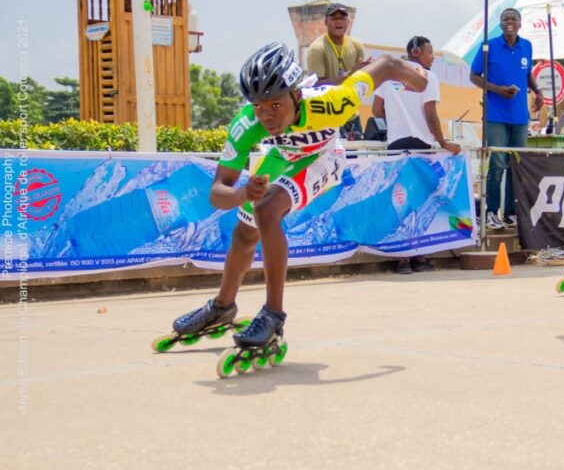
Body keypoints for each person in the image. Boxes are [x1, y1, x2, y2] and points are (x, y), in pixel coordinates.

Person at [159, 42, 427, 375]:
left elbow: (386, 65)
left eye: (275, 104)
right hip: (283, 158)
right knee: (244, 235)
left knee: (267, 209)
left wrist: (419, 81)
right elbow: (217, 192)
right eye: (258, 106)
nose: (267, 116)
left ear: (296, 96)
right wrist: (242, 192)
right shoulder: (246, 124)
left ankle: (273, 314)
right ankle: (222, 307)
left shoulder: (333, 102)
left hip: (325, 156)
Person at [372, 35, 460, 274]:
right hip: (422, 145)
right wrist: (443, 142)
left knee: (398, 199)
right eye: (430, 52)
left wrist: (398, 120)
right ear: (417, 52)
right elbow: (430, 114)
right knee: (421, 200)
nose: (433, 58)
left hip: (396, 144)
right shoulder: (428, 77)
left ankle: (401, 259)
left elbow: (376, 109)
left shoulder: (388, 77)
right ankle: (419, 257)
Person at [470, 7, 544, 231]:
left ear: (520, 23)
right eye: (506, 19)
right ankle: (492, 211)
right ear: (500, 24)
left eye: (514, 19)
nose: (510, 22)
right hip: (496, 115)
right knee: (498, 163)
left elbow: (526, 73)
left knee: (517, 164)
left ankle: (512, 212)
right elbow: (474, 76)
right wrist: (497, 90)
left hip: (520, 116)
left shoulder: (527, 46)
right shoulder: (488, 47)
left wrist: (537, 91)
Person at [306, 3, 369, 138]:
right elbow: (315, 87)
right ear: (326, 22)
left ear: (348, 22)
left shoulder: (356, 45)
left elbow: (361, 82)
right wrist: (349, 74)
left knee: (356, 158)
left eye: (342, 18)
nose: (339, 21)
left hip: (351, 116)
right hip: (327, 116)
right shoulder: (317, 49)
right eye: (334, 18)